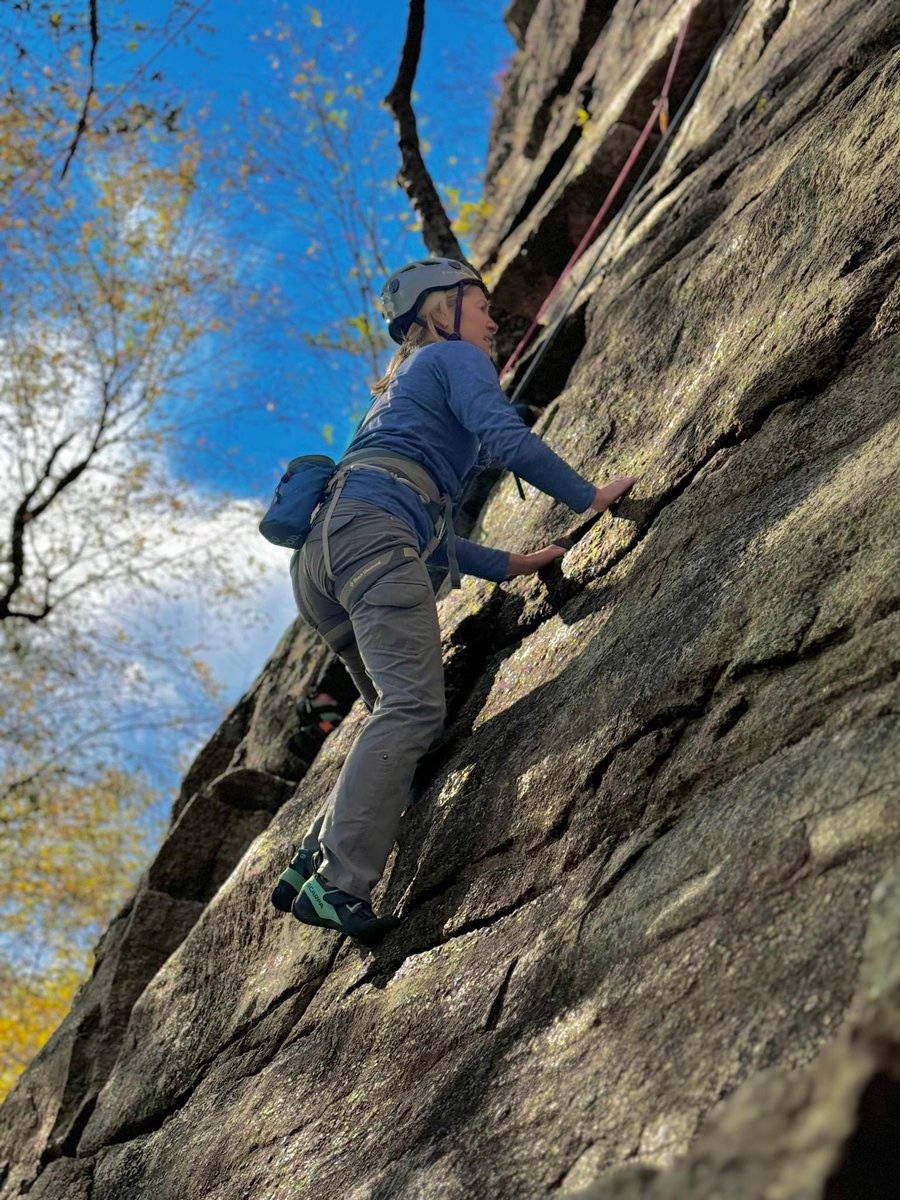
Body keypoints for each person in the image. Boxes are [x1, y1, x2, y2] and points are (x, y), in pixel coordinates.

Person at [273, 257, 636, 946]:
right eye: (481, 305)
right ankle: (340, 880)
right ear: (442, 313)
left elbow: (424, 523)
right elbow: (504, 439)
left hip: (324, 558)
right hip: (371, 538)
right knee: (413, 708)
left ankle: (310, 860)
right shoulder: (453, 360)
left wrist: (512, 564)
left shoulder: (397, 396)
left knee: (393, 716)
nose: (495, 320)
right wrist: (587, 496)